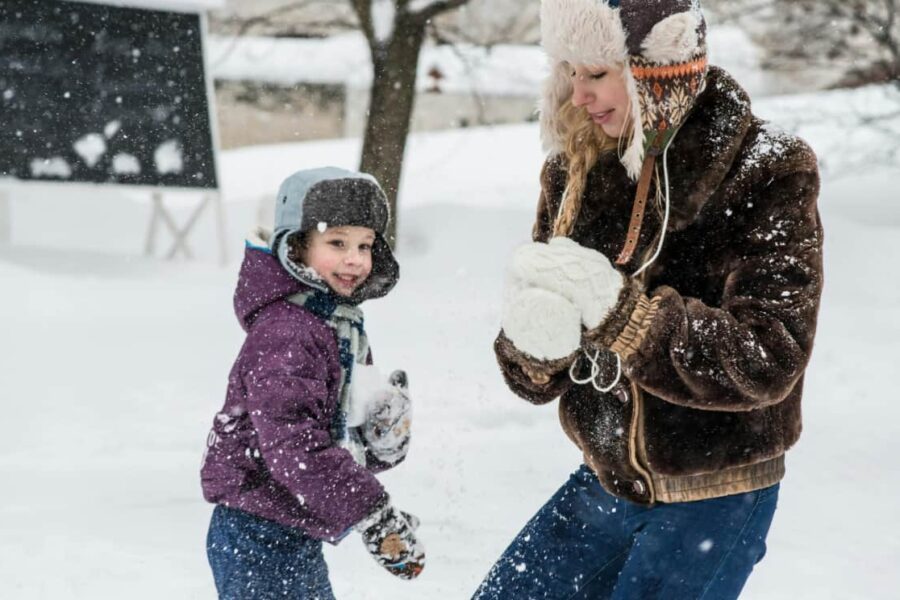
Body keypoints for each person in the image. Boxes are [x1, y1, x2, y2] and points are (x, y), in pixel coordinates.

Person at [475, 0, 823, 598]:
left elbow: (769, 358)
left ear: (657, 69)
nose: (579, 96)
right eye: (570, 73)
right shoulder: (578, 163)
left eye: (598, 73)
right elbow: (538, 371)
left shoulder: (765, 170)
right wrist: (535, 344)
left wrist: (626, 319)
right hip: (605, 481)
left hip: (715, 495)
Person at [201, 167, 424, 599]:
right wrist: (373, 511)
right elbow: (293, 448)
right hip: (256, 533)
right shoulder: (288, 332)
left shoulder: (338, 325)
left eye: (364, 245)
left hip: (290, 527)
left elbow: (328, 443)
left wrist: (377, 442)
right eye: (336, 243)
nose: (355, 259)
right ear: (297, 247)